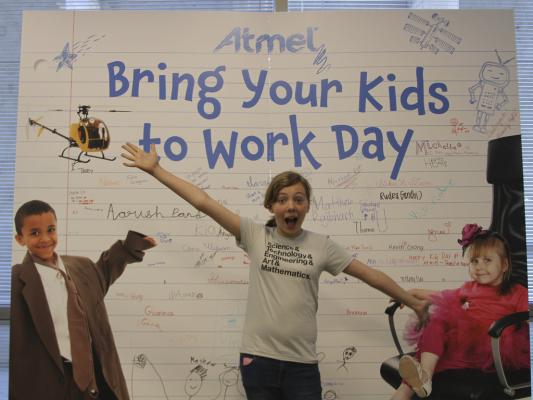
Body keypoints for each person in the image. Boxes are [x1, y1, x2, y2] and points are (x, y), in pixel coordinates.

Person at [121, 143, 428, 400]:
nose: (290, 205)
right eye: (282, 200)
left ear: (307, 206)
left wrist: (410, 301)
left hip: (302, 366)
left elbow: (368, 274)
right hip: (259, 361)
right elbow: (203, 201)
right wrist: (155, 170)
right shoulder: (256, 236)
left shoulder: (322, 246)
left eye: (298, 199)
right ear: (271, 206)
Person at [9, 200, 156, 400]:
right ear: (20, 239)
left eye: (51, 230)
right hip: (51, 384)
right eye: (34, 233)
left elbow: (105, 271)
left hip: (97, 381)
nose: (45, 238)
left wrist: (131, 246)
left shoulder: (81, 266)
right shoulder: (15, 280)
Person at [391, 223, 530, 400]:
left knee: (438, 350)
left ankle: (408, 388)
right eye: (474, 261)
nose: (479, 267)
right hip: (466, 346)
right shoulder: (470, 288)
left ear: (504, 265)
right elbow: (443, 296)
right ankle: (420, 380)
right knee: (437, 320)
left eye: (487, 260)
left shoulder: (517, 292)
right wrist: (411, 293)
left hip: (495, 348)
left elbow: (529, 315)